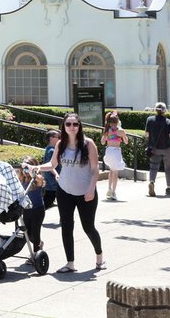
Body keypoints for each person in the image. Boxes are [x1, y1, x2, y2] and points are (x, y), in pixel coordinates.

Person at [28, 113, 105, 273]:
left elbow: (95, 168)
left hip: (85, 193)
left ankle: (100, 257)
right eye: (68, 124)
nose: (71, 127)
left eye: (75, 124)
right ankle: (70, 263)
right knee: (66, 227)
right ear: (64, 126)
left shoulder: (88, 144)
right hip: (64, 191)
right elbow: (53, 163)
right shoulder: (61, 144)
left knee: (88, 227)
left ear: (79, 126)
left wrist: (91, 189)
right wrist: (38, 168)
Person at [144, 102, 170, 197]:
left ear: (155, 110)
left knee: (153, 167)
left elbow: (147, 135)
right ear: (165, 110)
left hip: (154, 148)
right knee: (168, 168)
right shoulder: (169, 122)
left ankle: (152, 182)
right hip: (167, 148)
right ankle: (169, 188)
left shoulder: (150, 120)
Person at [18, 156, 45, 261]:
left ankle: (35, 254)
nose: (24, 171)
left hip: (38, 210)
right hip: (27, 210)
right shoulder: (22, 178)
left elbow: (40, 181)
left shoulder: (37, 178)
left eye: (26, 169)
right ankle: (39, 245)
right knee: (27, 234)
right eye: (23, 169)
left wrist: (30, 169)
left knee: (35, 231)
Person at [101, 111, 128, 201]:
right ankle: (113, 192)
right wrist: (121, 135)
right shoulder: (121, 131)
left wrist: (108, 137)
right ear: (117, 121)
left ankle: (109, 188)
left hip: (108, 151)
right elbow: (126, 141)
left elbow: (102, 142)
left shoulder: (106, 130)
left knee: (111, 170)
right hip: (116, 152)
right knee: (115, 172)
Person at [42, 130, 61, 208]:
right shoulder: (52, 150)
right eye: (58, 137)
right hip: (53, 182)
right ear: (51, 138)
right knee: (47, 201)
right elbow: (50, 166)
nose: (60, 139)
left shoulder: (49, 148)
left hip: (51, 181)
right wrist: (56, 174)